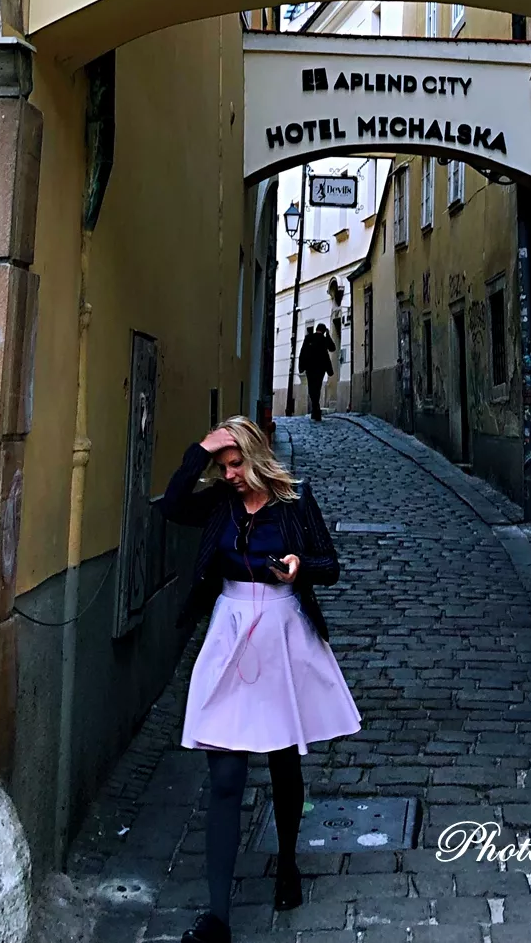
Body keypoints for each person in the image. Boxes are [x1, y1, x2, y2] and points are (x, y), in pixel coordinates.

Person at [158, 417, 361, 943]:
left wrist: (298, 566)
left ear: (257, 456)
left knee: (282, 761)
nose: (229, 474)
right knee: (225, 776)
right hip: (229, 633)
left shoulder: (294, 501)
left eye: (236, 463)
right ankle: (217, 919)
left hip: (281, 634)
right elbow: (173, 504)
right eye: (222, 466)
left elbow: (329, 564)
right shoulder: (218, 504)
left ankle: (287, 860)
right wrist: (201, 447)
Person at [297, 322, 336, 422]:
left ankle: (315, 409)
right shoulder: (324, 339)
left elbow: (303, 352)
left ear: (316, 329)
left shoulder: (308, 338)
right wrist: (328, 335)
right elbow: (332, 348)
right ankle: (316, 409)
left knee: (312, 388)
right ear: (323, 331)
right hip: (320, 368)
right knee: (317, 388)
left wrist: (301, 366)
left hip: (310, 367)